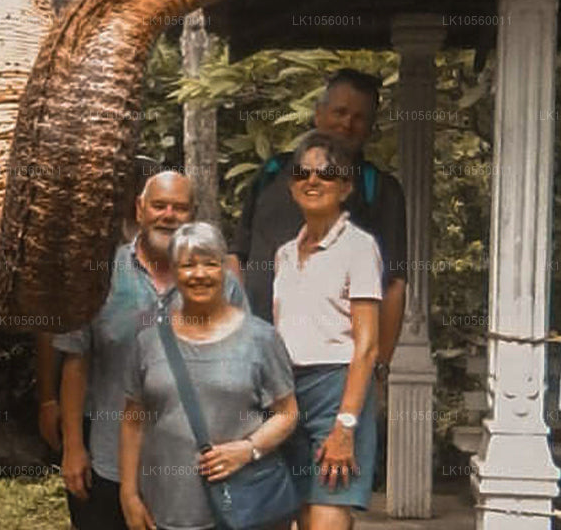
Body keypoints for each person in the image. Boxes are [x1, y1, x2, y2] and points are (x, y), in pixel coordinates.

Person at [55, 171, 249, 530]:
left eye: (180, 208)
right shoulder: (101, 276)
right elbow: (75, 362)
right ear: (140, 209)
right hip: (109, 462)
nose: (168, 216)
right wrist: (73, 447)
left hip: (195, 473)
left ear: (193, 215)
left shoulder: (221, 283)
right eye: (159, 206)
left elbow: (245, 372)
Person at [230, 69, 406, 383]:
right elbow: (236, 257)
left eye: (359, 117)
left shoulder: (378, 189)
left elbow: (394, 285)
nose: (347, 124)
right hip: (257, 355)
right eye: (339, 112)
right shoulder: (272, 172)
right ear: (318, 114)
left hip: (336, 370)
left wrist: (380, 366)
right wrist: (234, 333)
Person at [119, 222, 298, 530]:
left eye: (209, 264)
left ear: (224, 270)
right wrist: (129, 493)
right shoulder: (148, 341)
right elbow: (133, 420)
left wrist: (248, 449)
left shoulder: (260, 338)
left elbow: (287, 413)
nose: (199, 274)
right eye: (188, 265)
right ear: (174, 272)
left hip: (245, 508)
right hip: (168, 509)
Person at [274, 132, 382, 528]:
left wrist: (346, 425)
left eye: (326, 173)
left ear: (346, 186)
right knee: (298, 514)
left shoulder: (360, 246)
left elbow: (367, 346)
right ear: (291, 184)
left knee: (326, 515)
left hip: (337, 392)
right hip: (287, 394)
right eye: (303, 172)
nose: (313, 181)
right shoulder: (284, 254)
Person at [36, 156, 163, 453]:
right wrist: (48, 399)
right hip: (93, 403)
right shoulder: (90, 245)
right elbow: (52, 331)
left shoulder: (177, 254)